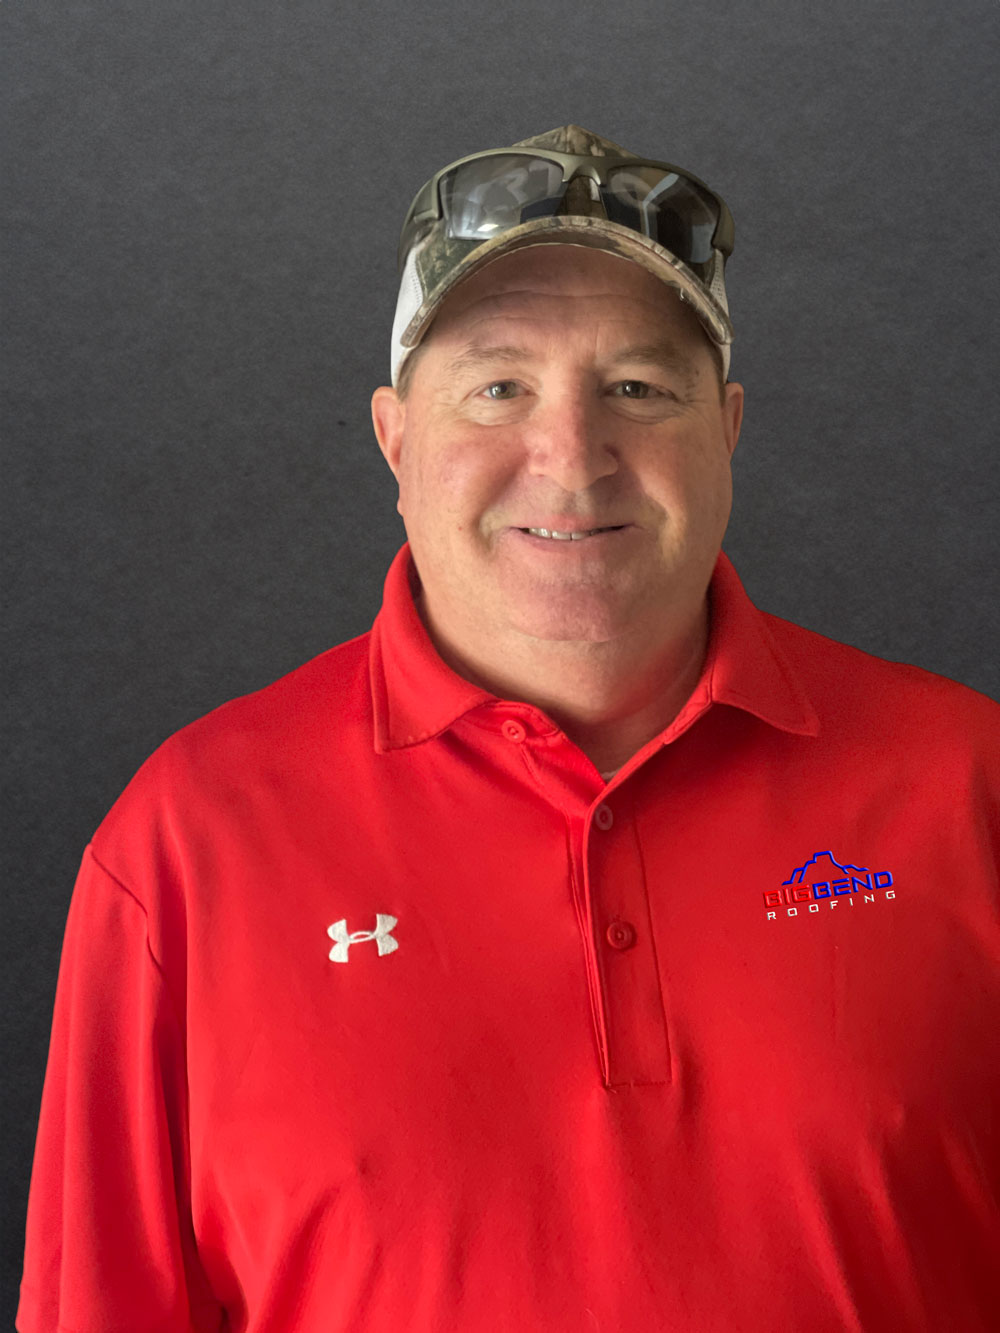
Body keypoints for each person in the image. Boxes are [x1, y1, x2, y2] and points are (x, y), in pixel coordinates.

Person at [18, 125, 1000, 1332]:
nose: (571, 457)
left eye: (638, 388)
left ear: (728, 430)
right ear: (393, 437)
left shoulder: (965, 787)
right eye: (498, 387)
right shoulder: (187, 844)